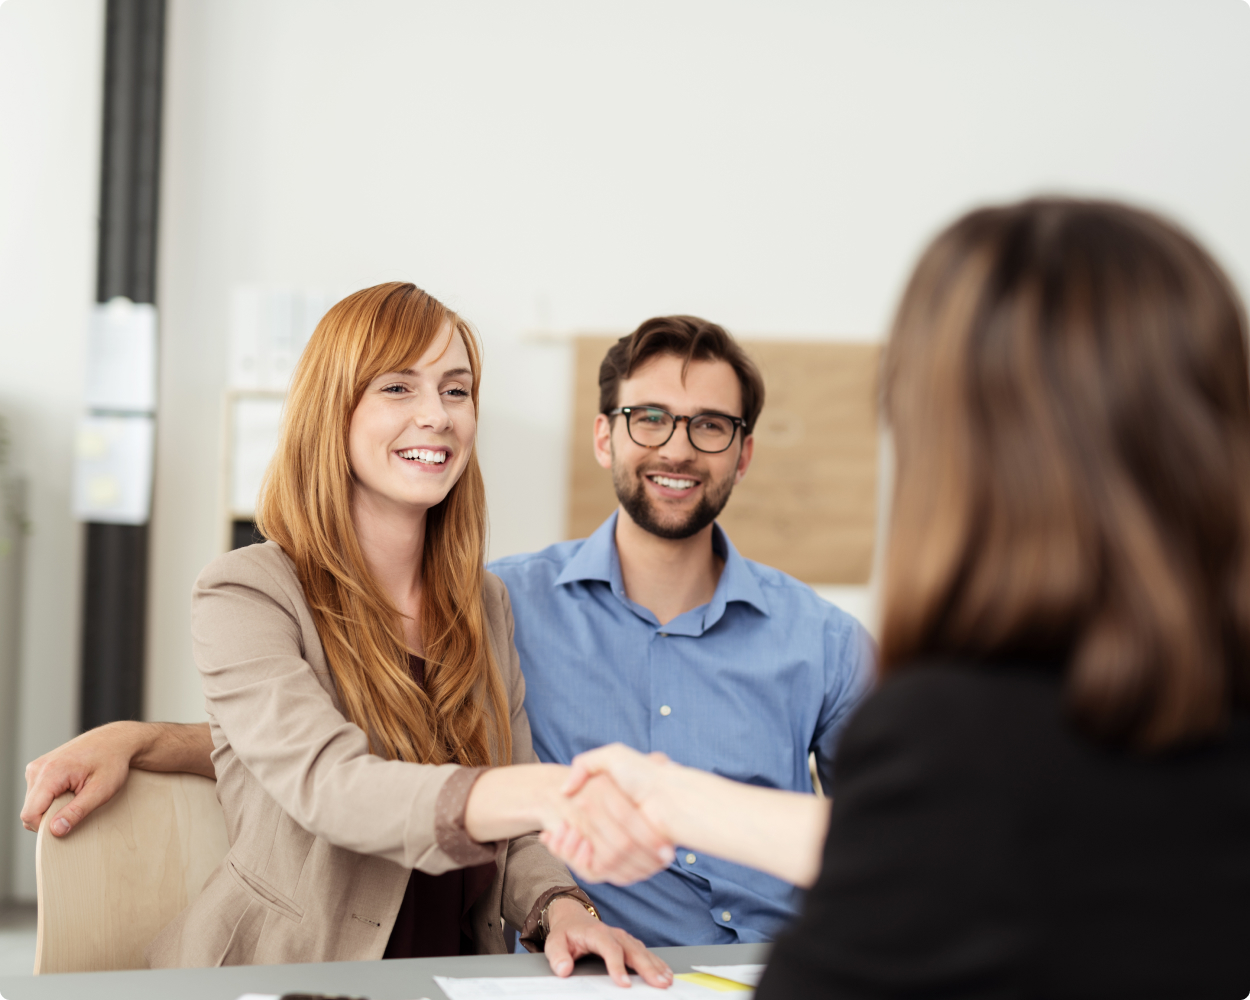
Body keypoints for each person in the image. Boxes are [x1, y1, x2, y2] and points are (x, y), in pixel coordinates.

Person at [544, 199, 1250, 998]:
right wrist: (670, 801)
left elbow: (927, 836)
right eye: (651, 420)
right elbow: (938, 834)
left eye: (708, 425)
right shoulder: (507, 603)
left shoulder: (920, 703)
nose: (677, 447)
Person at [24, 315, 874, 948]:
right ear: (604, 435)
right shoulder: (276, 588)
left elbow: (903, 834)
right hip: (316, 966)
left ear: (743, 451)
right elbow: (324, 763)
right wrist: (142, 738)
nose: (678, 448)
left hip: (706, 968)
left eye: (456, 390)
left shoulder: (484, 605)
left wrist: (559, 906)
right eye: (397, 386)